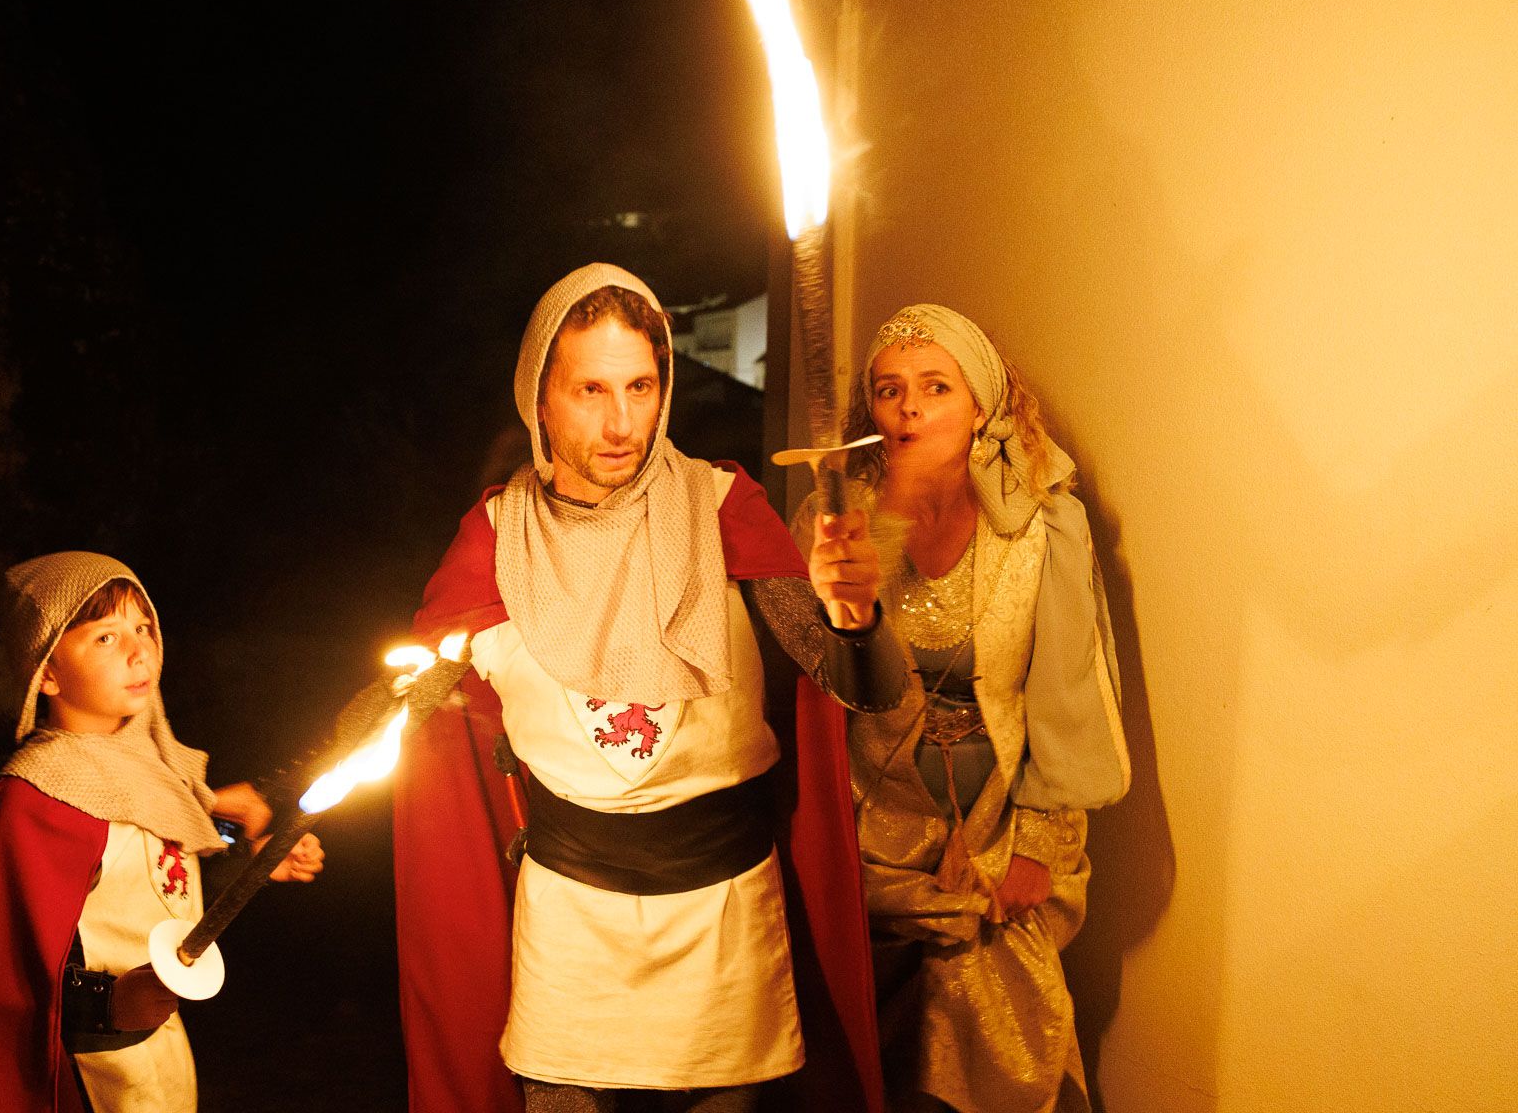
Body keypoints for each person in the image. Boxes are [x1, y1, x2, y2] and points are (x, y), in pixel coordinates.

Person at [394, 263, 910, 1113]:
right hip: (570, 923)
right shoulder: (492, 544)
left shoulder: (723, 509)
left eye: (640, 386)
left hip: (723, 917)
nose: (621, 421)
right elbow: (415, 709)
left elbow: (867, 688)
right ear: (541, 400)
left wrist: (856, 619)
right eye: (590, 389)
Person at [794, 305, 1130, 1113]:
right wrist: (847, 600)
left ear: (983, 403)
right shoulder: (834, 523)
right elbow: (817, 695)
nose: (908, 408)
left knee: (999, 1067)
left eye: (935, 387)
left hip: (994, 845)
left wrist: (1040, 849)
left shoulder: (1045, 527)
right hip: (870, 844)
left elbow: (1067, 697)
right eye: (889, 390)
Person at [0, 552, 324, 1113]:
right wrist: (112, 1003)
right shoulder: (38, 798)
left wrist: (252, 864)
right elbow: (20, 982)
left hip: (160, 1055)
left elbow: (158, 882)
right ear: (47, 673)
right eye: (104, 637)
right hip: (82, 1072)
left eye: (143, 627)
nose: (138, 649)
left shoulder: (150, 771)